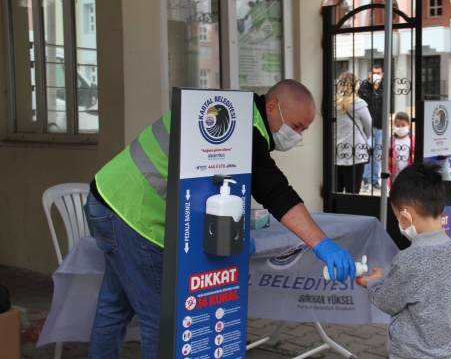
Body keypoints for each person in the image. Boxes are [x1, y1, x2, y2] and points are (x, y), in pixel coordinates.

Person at [84, 79, 357, 358]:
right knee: (163, 323)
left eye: (303, 129)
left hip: (106, 195)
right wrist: (322, 244)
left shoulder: (233, 113)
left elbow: (205, 184)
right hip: (133, 216)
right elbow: (275, 191)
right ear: (272, 106)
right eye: (297, 126)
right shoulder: (241, 128)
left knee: (114, 308)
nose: (297, 135)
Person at [356, 163, 451, 359]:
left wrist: (373, 283)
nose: (399, 221)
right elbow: (429, 280)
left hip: (412, 353)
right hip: (450, 350)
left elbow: (388, 302)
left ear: (406, 216)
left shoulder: (408, 259)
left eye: (397, 216)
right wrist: (388, 275)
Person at [335, 71, 372, 193]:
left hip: (336, 151)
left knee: (336, 190)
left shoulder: (332, 103)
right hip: (355, 151)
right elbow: (368, 127)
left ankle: (335, 212)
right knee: (353, 191)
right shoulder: (359, 104)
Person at [359, 65, 384, 191]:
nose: (376, 75)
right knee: (367, 154)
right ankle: (365, 179)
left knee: (377, 155)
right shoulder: (363, 88)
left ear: (382, 74)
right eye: (374, 73)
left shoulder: (384, 89)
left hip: (381, 127)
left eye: (378, 73)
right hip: (366, 127)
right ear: (369, 73)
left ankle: (375, 180)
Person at [388, 112, 415, 189]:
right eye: (398, 125)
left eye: (403, 125)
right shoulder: (392, 141)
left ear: (409, 125)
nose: (400, 128)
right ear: (394, 125)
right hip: (395, 174)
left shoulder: (412, 140)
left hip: (409, 174)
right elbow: (385, 156)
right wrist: (390, 160)